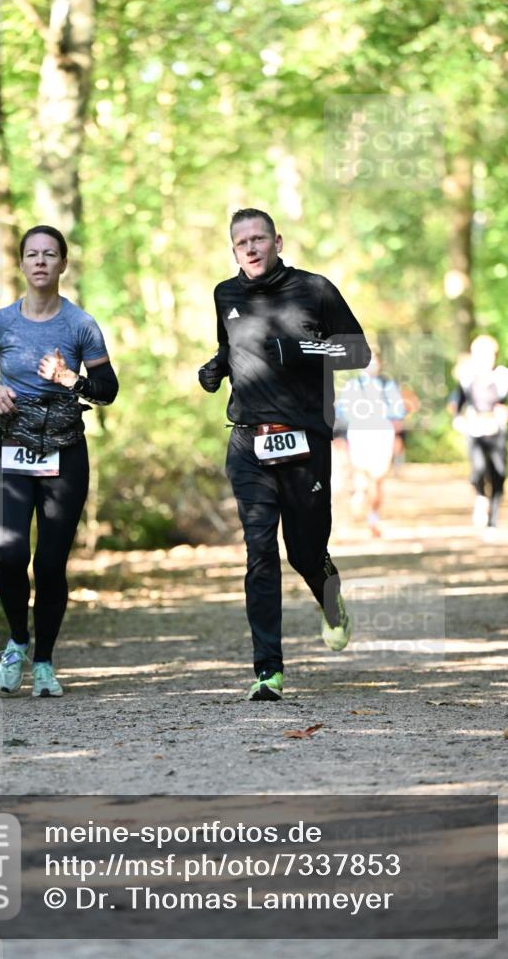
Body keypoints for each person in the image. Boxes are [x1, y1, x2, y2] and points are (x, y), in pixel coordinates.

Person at [198, 208, 370, 701]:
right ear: (233, 250)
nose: (250, 249)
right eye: (240, 243)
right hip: (247, 440)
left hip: (304, 439)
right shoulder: (224, 294)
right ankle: (267, 671)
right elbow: (228, 349)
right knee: (259, 554)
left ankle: (330, 598)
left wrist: (300, 351)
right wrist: (215, 369)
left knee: (305, 551)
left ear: (277, 240)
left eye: (258, 239)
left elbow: (358, 353)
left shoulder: (314, 289)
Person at [0, 225, 118, 697]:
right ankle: (17, 642)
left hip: (64, 454)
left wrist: (71, 377)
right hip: (10, 452)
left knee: (50, 565)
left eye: (50, 254)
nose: (40, 262)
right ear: (22, 263)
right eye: (32, 254)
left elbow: (107, 390)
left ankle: (46, 663)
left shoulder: (80, 325)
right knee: (9, 559)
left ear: (63, 264)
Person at [449, 334, 508, 537]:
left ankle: (492, 522)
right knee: (478, 470)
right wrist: (457, 417)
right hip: (475, 428)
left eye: (488, 355)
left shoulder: (503, 377)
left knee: (498, 473)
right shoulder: (467, 377)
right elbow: (457, 404)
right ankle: (480, 496)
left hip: (497, 430)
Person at [336, 350, 406, 537]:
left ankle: (373, 517)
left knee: (378, 478)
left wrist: (399, 438)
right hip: (359, 435)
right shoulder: (351, 385)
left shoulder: (387, 385)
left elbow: (398, 413)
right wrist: (340, 438)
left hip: (382, 435)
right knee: (361, 473)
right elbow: (341, 414)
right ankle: (359, 495)